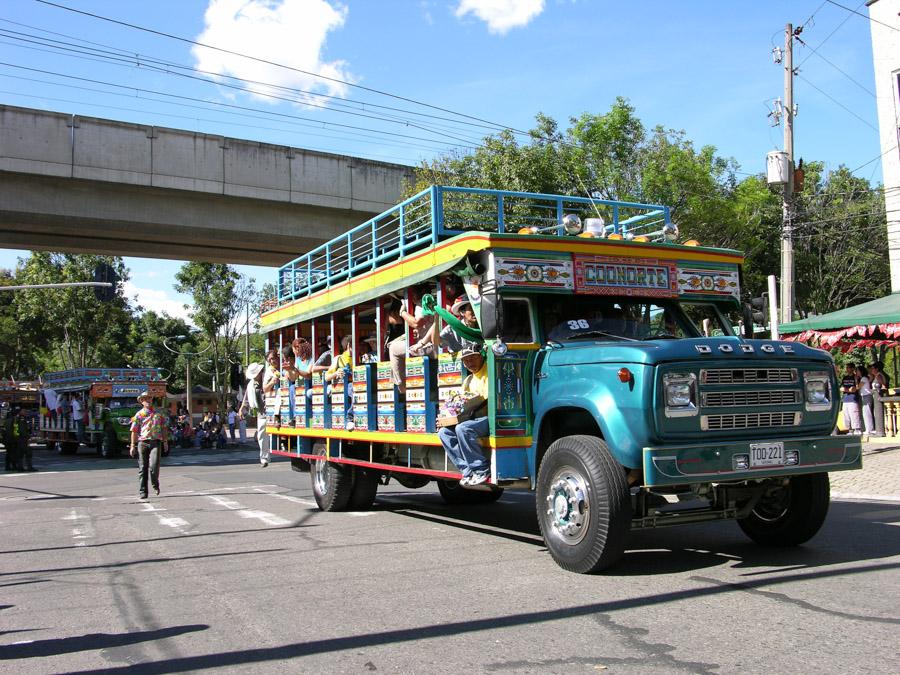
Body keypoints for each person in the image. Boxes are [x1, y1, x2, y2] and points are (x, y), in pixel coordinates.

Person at [437, 345, 491, 486]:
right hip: (472, 418)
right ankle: (467, 471)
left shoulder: (489, 373)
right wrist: (446, 417)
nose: (470, 362)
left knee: (463, 428)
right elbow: (460, 403)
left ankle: (481, 469)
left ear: (481, 356)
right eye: (466, 360)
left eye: (473, 358)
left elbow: (485, 402)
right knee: (444, 433)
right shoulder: (468, 380)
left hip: (489, 417)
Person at [388, 285, 434, 394]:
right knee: (395, 345)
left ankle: (401, 387)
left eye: (411, 293)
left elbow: (416, 323)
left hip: (431, 346)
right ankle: (400, 384)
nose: (410, 297)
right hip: (430, 344)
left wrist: (402, 313)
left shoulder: (422, 304)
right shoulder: (431, 302)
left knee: (393, 348)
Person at [129, 391, 169, 499]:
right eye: (145, 399)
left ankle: (155, 484)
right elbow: (134, 430)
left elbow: (164, 428)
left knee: (154, 466)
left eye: (149, 398)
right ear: (141, 401)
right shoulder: (139, 414)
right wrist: (132, 445)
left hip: (155, 442)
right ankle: (143, 491)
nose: (148, 400)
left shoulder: (159, 413)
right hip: (143, 442)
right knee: (143, 467)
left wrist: (165, 442)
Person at [242, 361, 270, 467]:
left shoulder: (268, 377)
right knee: (261, 435)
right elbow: (247, 397)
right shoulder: (251, 384)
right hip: (261, 412)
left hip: (272, 410)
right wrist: (242, 408)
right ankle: (264, 458)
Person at [839, 363, 862, 435]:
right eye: (846, 367)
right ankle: (849, 430)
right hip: (845, 399)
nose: (847, 369)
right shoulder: (845, 378)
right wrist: (848, 390)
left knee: (854, 414)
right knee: (846, 415)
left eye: (848, 367)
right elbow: (841, 388)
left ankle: (857, 429)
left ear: (852, 368)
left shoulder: (856, 378)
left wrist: (846, 390)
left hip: (853, 399)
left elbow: (855, 389)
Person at [871, 361, 889, 437]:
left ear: (876, 369)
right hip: (876, 397)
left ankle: (883, 429)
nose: (871, 370)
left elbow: (883, 385)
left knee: (882, 413)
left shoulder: (879, 376)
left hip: (879, 397)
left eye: (872, 368)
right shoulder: (877, 375)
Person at [857, 365, 875, 435]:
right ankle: (868, 428)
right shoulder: (864, 378)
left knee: (867, 412)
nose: (857, 372)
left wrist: (856, 380)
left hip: (866, 396)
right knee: (866, 412)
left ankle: (869, 429)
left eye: (858, 371)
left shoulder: (863, 378)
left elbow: (858, 387)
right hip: (864, 396)